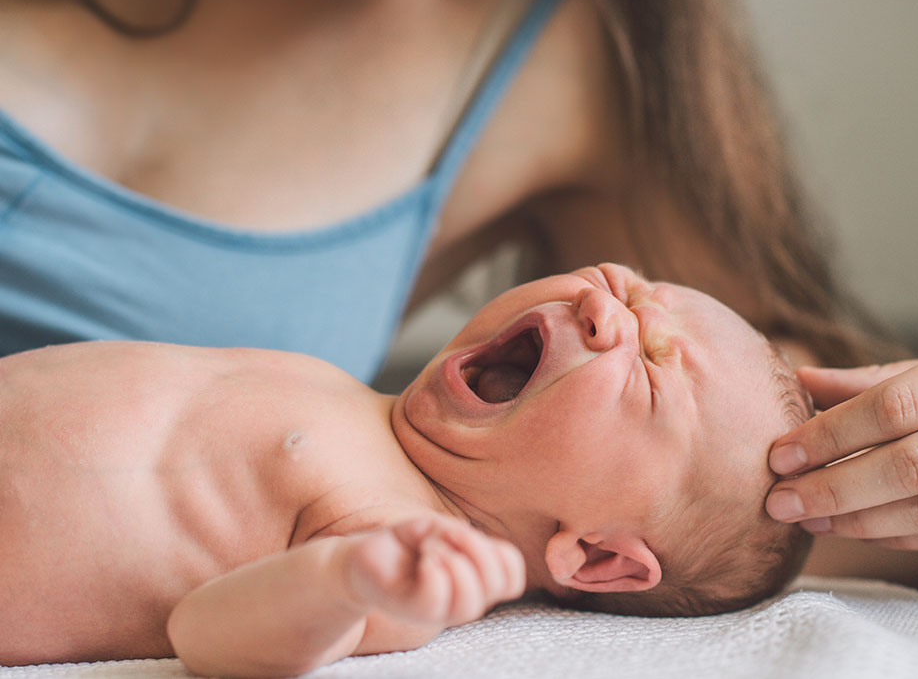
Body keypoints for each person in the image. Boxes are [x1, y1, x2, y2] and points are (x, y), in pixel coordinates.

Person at [0, 0, 918, 599]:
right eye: (626, 290)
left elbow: (755, 496)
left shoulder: (582, 44)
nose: (611, 305)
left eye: (648, 316)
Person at [0, 263, 811, 677]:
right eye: (633, 286)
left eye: (652, 369)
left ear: (595, 557)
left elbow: (207, 637)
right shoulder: (346, 392)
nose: (602, 306)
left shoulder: (403, 546)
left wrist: (341, 583)